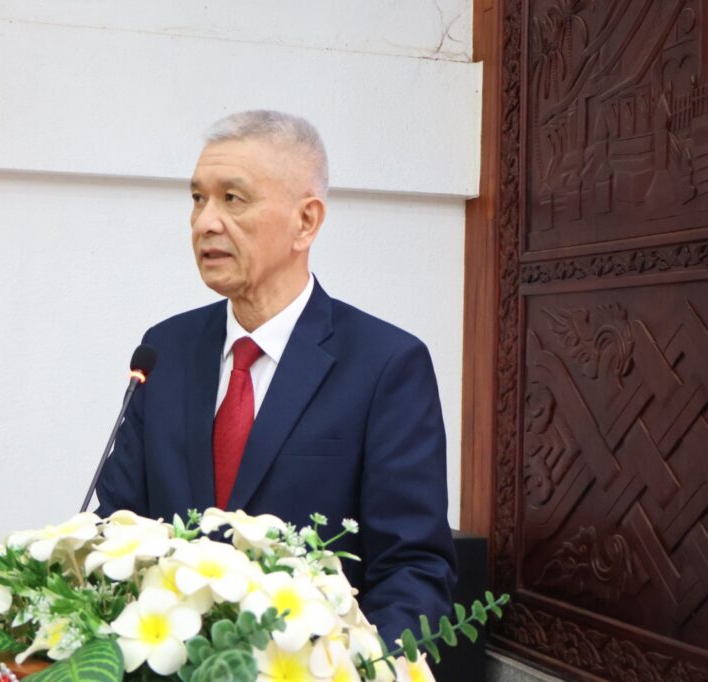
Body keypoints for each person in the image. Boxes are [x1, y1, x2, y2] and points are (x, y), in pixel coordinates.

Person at [95, 110, 457, 642]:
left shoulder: (385, 365)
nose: (205, 222)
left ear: (305, 222)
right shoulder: (165, 350)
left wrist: (362, 669)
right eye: (197, 198)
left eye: (232, 199)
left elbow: (412, 570)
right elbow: (117, 526)